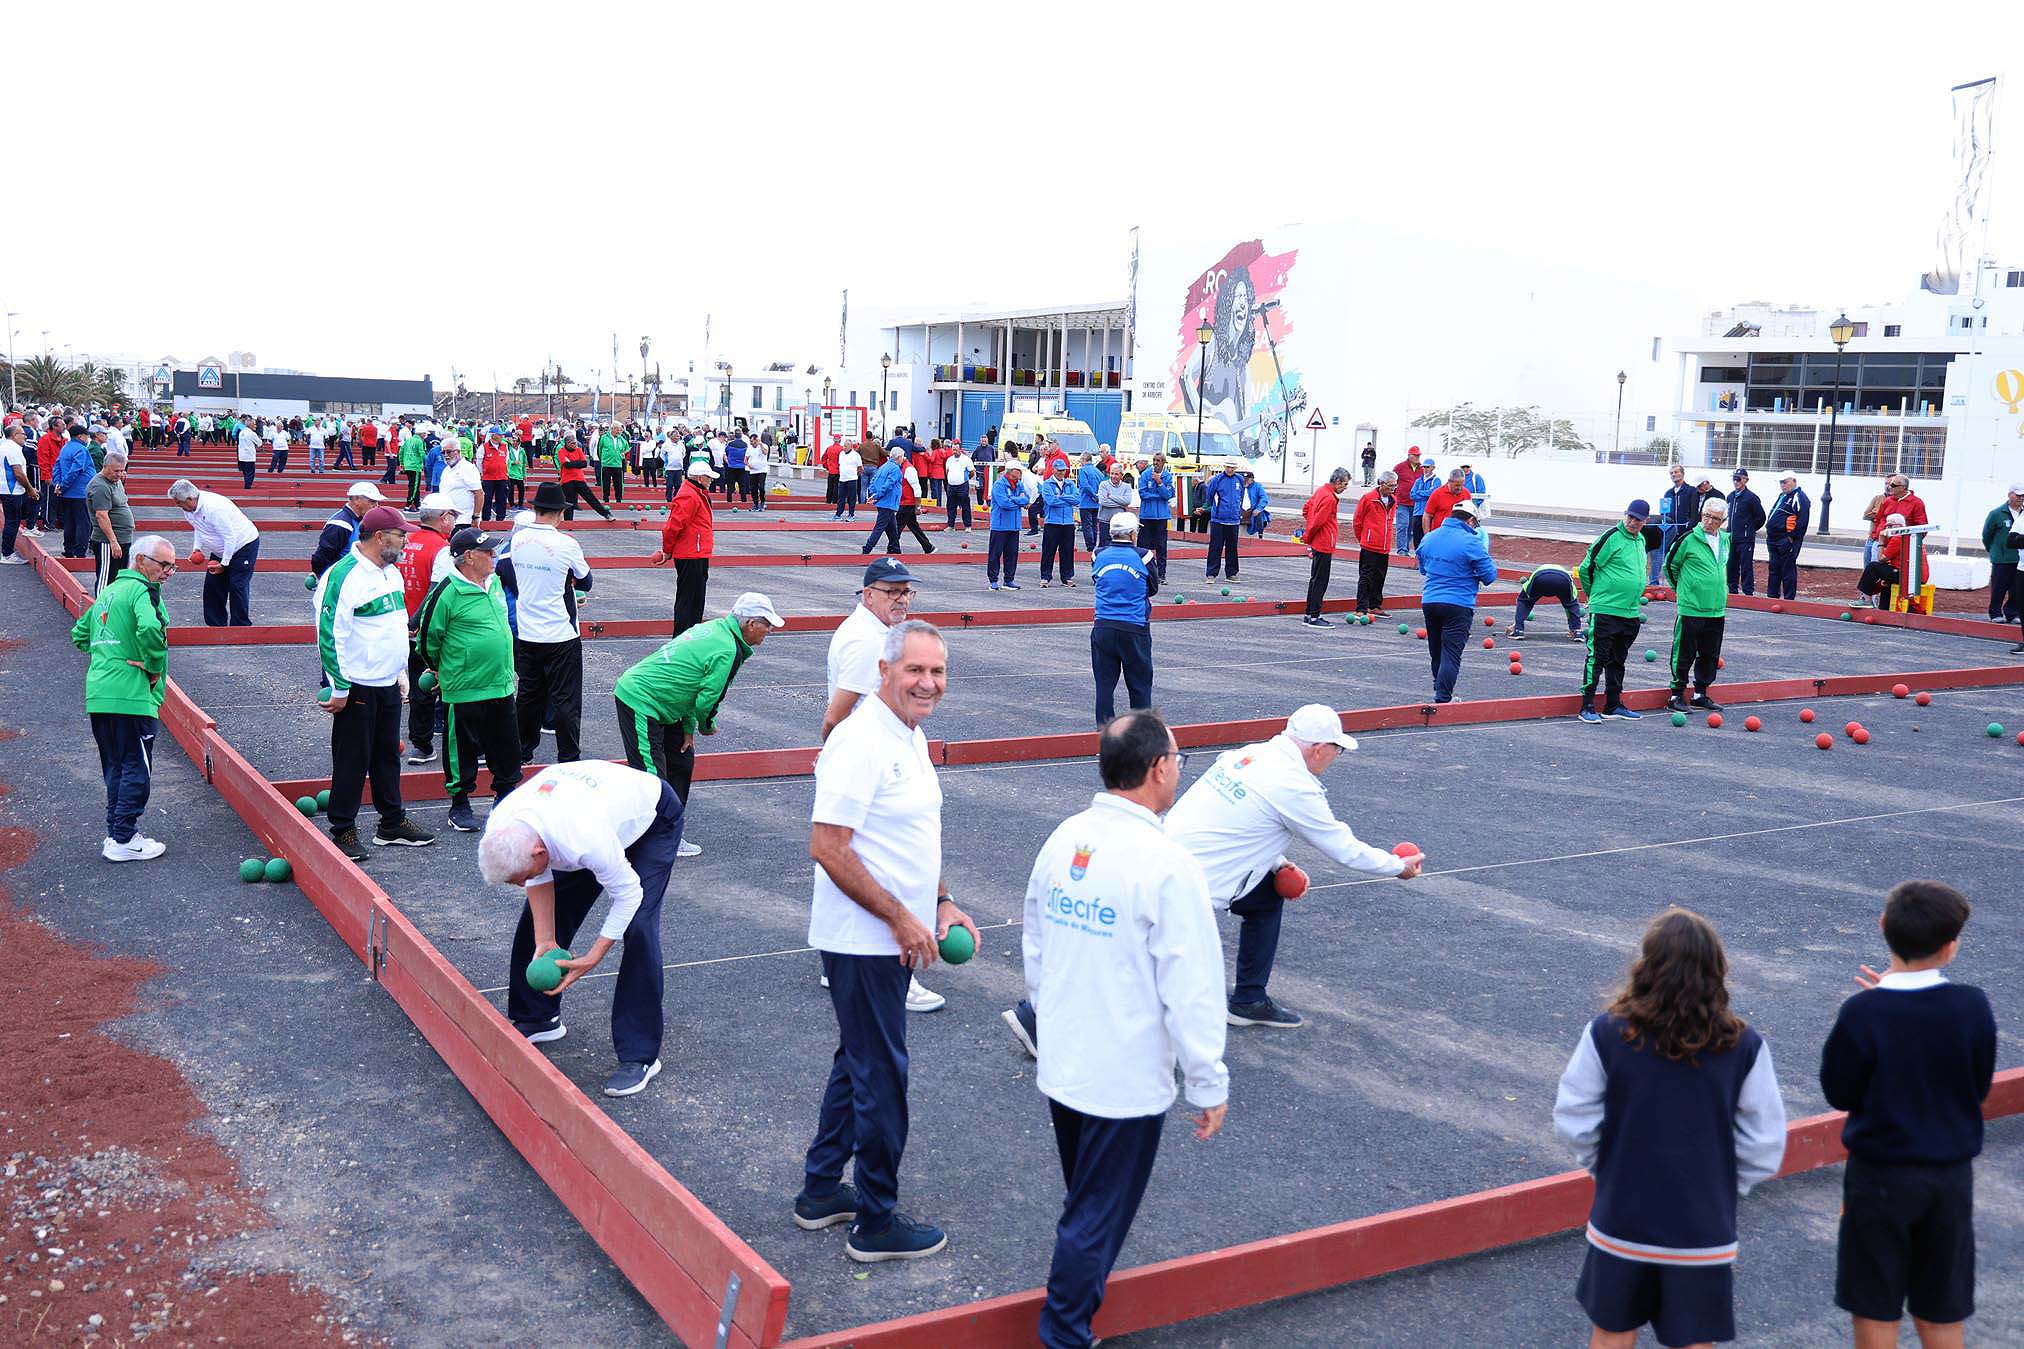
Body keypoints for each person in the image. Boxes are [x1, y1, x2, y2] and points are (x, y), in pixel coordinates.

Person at [1023, 710, 1229, 1348]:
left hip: (1065, 1061)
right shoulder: (1166, 863)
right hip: (1124, 1074)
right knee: (1094, 1214)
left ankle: (1071, 1316)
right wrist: (1208, 1080)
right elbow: (1191, 986)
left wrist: (1051, 1022)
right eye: (1179, 760)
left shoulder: (1065, 837)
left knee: (1085, 1200)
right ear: (1159, 768)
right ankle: (1064, 1333)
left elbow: (1035, 944)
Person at [793, 621, 981, 1263]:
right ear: (884, 670)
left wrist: (941, 899)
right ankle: (875, 1223)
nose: (928, 683)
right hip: (865, 941)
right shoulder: (861, 741)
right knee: (882, 1077)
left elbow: (914, 836)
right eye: (915, 671)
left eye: (937, 672)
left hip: (895, 931)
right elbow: (827, 846)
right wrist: (902, 919)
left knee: (858, 1061)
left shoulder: (908, 732)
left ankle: (820, 1192)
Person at [1553, 907, 1787, 1349]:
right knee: (1694, 1338)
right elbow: (1765, 1142)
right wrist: (1723, 1186)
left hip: (1623, 1218)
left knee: (1611, 1331)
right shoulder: (1744, 1045)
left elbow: (1574, 1118)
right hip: (1701, 1226)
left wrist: (1605, 1168)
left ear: (1647, 966)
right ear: (1716, 970)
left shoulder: (1608, 1034)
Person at [1158, 704, 1419, 1030]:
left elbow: (1236, 825)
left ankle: (1249, 1001)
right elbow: (1342, 848)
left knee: (1266, 897)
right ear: (1320, 749)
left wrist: (1276, 863)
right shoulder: (1294, 785)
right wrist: (1397, 866)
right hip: (1187, 885)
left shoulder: (1251, 754)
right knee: (1158, 998)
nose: (1337, 756)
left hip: (1165, 858)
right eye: (1337, 749)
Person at [1820, 880, 1997, 1349]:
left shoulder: (1863, 1013)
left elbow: (1839, 1091)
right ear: (1950, 945)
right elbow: (1975, 1087)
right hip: (1949, 1180)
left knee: (1875, 1304)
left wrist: (1881, 1004)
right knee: (1942, 1306)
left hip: (1879, 1179)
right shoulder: (1973, 1007)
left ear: (1883, 927)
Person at [479, 759, 687, 1097]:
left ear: (539, 850)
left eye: (524, 877)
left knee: (638, 927)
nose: (522, 884)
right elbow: (538, 875)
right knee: (537, 920)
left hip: (652, 817)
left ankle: (640, 1056)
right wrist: (545, 939)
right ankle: (538, 1017)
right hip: (593, 809)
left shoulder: (582, 839)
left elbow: (627, 894)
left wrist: (593, 956)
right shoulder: (506, 825)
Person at [820, 560, 944, 1013]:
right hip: (869, 769)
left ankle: (839, 962)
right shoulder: (864, 641)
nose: (901, 599)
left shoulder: (872, 634)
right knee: (879, 857)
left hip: (873, 761)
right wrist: (843, 767)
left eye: (906, 592)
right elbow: (835, 718)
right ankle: (894, 972)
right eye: (891, 591)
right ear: (867, 594)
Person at [615, 592, 785, 859]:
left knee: (681, 762)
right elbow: (708, 699)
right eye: (767, 625)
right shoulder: (726, 649)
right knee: (650, 777)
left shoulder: (718, 630)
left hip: (666, 704)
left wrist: (687, 728)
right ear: (751, 624)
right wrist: (706, 725)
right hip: (641, 699)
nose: (770, 630)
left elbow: (691, 682)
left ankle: (669, 831)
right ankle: (647, 841)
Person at [315, 505, 436, 861]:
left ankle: (391, 822)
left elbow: (395, 626)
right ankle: (343, 828)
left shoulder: (391, 574)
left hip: (386, 681)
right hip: (357, 684)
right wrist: (339, 688)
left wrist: (400, 672)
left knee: (386, 756)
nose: (404, 542)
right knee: (353, 759)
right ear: (381, 538)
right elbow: (329, 634)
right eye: (401, 536)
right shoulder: (342, 575)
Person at [71, 533, 174, 862]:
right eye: (164, 564)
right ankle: (124, 837)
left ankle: (116, 833)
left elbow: (80, 634)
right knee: (135, 768)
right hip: (131, 695)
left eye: (173, 566)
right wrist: (153, 666)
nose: (168, 571)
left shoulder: (108, 592)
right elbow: (150, 630)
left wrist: (107, 657)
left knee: (115, 766)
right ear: (141, 561)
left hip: (100, 694)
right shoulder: (143, 591)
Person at [413, 527, 523, 833]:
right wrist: (438, 669)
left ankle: (504, 797)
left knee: (506, 745)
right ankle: (459, 803)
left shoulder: (496, 582)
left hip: (500, 682)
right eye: (487, 552)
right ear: (469, 557)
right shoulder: (447, 591)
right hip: (463, 686)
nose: (494, 555)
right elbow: (427, 639)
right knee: (460, 749)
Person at [498, 483, 593, 764]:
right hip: (561, 633)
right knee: (566, 701)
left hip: (528, 630)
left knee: (529, 695)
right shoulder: (566, 544)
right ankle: (568, 757)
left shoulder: (518, 540)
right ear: (560, 513)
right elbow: (585, 580)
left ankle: (522, 751)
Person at [395, 495, 458, 764]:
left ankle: (421, 745)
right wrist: (417, 623)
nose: (455, 520)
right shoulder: (442, 549)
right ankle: (431, 740)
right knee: (434, 684)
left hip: (401, 624)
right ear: (443, 517)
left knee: (414, 684)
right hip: (425, 628)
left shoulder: (407, 542)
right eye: (452, 515)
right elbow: (436, 593)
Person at [1576, 501, 1652, 724]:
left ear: (1645, 521)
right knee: (1596, 657)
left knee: (1618, 660)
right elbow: (1586, 568)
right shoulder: (1611, 536)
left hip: (1629, 612)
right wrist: (1594, 597)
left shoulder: (1641, 540)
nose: (1632, 521)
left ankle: (1613, 704)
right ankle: (1587, 706)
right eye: (1630, 516)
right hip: (1605, 609)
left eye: (1638, 519)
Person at [1415, 500, 1497, 703]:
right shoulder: (1471, 542)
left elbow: (1423, 567)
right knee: (1451, 653)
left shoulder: (1430, 537)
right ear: (1470, 520)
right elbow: (1489, 576)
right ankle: (1443, 698)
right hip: (1458, 603)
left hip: (1430, 600)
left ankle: (1438, 688)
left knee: (1436, 651)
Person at [1089, 511, 1158, 724]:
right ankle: (1140, 734)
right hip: (1134, 627)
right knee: (1139, 686)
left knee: (1104, 686)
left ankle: (1105, 734)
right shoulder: (1144, 556)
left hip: (1103, 626)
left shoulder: (1098, 554)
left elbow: (1098, 580)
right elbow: (1153, 588)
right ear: (1131, 533)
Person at [1664, 498, 1730, 714]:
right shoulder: (1688, 539)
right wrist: (1683, 590)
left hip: (1716, 608)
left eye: (1715, 518)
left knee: (1710, 654)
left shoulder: (1725, 540)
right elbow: (1670, 566)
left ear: (1723, 521)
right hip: (1691, 607)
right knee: (1684, 652)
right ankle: (1676, 694)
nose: (1709, 521)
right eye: (1706, 516)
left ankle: (1700, 693)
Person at [168, 479, 260, 627]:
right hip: (221, 547)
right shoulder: (189, 509)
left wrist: (224, 564)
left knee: (237, 585)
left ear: (190, 499)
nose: (177, 505)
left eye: (178, 502)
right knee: (213, 585)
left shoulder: (214, 509)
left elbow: (230, 537)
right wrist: (196, 549)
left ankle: (241, 626)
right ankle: (215, 625)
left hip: (243, 544)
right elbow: (198, 527)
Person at [652, 459, 717, 637]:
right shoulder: (689, 495)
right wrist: (667, 550)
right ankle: (681, 638)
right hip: (690, 555)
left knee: (695, 600)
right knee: (689, 601)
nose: (711, 480)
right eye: (708, 477)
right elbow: (673, 526)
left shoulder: (696, 492)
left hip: (697, 553)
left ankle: (689, 638)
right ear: (699, 477)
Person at [1299, 468, 1350, 627]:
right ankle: (1314, 616)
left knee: (1315, 579)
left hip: (1319, 542)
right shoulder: (1329, 498)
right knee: (1320, 581)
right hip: (1324, 542)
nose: (1345, 488)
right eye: (1345, 484)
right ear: (1337, 481)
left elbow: (1306, 509)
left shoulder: (1321, 491)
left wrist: (1311, 529)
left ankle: (1309, 613)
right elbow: (1318, 522)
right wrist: (1308, 535)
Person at [1349, 470, 1398, 616]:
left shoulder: (1393, 500)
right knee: (1366, 577)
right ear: (1381, 484)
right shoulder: (1368, 498)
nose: (1392, 489)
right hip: (1369, 545)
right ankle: (1361, 608)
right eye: (1390, 486)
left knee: (1380, 576)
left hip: (1384, 546)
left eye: (1395, 486)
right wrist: (1364, 539)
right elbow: (1357, 521)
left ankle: (1375, 605)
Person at [86, 450, 134, 595]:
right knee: (106, 578)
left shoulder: (116, 481)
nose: (119, 474)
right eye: (116, 471)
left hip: (123, 538)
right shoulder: (100, 486)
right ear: (105, 466)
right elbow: (101, 516)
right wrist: (113, 541)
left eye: (122, 470)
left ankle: (114, 609)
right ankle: (99, 611)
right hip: (107, 541)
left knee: (119, 577)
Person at [1978, 484, 2023, 623]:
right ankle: (1995, 612)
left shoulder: (2023, 513)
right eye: (2018, 495)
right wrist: (1993, 551)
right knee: (1999, 586)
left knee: (2016, 588)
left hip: (2019, 558)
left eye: (2023, 496)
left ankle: (2012, 612)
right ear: (2010, 494)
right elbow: (1987, 534)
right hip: (2002, 558)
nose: (2021, 498)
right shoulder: (1997, 514)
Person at [1765, 470, 1810, 601]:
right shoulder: (1782, 496)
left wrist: (1791, 537)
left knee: (1787, 569)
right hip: (1773, 538)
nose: (1783, 485)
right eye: (1781, 482)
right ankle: (1772, 596)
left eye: (1785, 482)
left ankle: (1789, 599)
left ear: (1793, 481)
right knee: (1774, 568)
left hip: (1786, 539)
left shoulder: (1800, 497)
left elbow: (1802, 521)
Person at [52, 424, 95, 559]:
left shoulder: (65, 447)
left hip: (67, 493)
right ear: (80, 436)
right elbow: (75, 470)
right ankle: (80, 551)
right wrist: (63, 485)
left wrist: (58, 484)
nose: (88, 438)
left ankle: (69, 549)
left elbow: (57, 466)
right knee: (83, 523)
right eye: (86, 435)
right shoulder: (81, 450)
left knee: (70, 522)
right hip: (80, 491)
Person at [1511, 563, 1584, 640]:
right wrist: (1572, 627)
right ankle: (1577, 632)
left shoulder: (1534, 574)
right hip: (1563, 579)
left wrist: (1516, 624)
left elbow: (1525, 593)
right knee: (1571, 604)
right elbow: (1572, 603)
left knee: (1524, 601)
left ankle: (1518, 630)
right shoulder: (1567, 575)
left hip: (1541, 577)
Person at [988, 461, 1031, 591]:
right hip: (999, 526)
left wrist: (1014, 499)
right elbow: (1004, 503)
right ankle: (993, 580)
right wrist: (1019, 501)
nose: (1020, 473)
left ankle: (1008, 580)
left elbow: (1026, 499)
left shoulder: (1019, 484)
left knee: (1012, 554)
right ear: (1011, 471)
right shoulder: (999, 485)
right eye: (1018, 471)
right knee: (995, 554)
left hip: (1014, 525)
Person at [860, 447, 910, 555]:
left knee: (892, 528)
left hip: (884, 502)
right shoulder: (896, 469)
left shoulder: (883, 466)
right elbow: (889, 485)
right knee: (880, 527)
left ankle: (896, 550)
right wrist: (877, 496)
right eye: (903, 456)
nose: (904, 459)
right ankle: (867, 549)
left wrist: (873, 494)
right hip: (888, 502)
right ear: (899, 457)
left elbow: (873, 480)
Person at [1725, 469, 1766, 596]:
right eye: (1734, 479)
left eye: (1739, 479)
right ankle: (1732, 589)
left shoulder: (1751, 498)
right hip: (1731, 537)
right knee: (1731, 565)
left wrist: (1750, 529)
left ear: (1745, 480)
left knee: (1746, 566)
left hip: (1745, 538)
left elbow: (1761, 517)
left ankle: (1748, 591)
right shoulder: (1731, 496)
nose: (1736, 482)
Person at [1039, 460, 1079, 587]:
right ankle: (1045, 577)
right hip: (1052, 522)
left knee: (1067, 551)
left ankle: (1067, 577)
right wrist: (1068, 499)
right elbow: (1051, 501)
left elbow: (1077, 499)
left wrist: (1061, 497)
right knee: (1048, 550)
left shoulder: (1070, 483)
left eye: (1064, 470)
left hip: (1068, 522)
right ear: (1053, 470)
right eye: (1059, 470)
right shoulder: (1047, 484)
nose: (1062, 472)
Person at [554, 431, 611, 521]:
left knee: (591, 498)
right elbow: (566, 465)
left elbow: (584, 463)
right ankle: (569, 522)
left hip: (579, 478)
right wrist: (577, 463)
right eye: (572, 443)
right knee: (569, 502)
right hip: (567, 480)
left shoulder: (578, 450)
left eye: (575, 443)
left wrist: (572, 463)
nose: (575, 445)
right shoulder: (561, 451)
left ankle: (606, 514)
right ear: (567, 443)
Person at [1203, 459, 1245, 581]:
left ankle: (1231, 573)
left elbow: (1241, 496)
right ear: (1224, 467)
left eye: (1233, 467)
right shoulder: (1217, 479)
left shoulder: (1240, 479)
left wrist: (1237, 510)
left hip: (1234, 520)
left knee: (1232, 548)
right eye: (1228, 467)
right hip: (1218, 519)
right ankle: (1211, 574)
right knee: (1215, 547)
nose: (1230, 470)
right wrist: (1214, 509)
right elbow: (1209, 496)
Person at [0, 423, 36, 563]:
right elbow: (18, 473)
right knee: (12, 521)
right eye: (23, 434)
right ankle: (7, 554)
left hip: (6, 488)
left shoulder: (4, 446)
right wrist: (30, 489)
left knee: (13, 519)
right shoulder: (13, 449)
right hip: (12, 490)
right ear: (14, 435)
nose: (25, 437)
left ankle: (30, 526)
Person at [1135, 452, 1174, 581]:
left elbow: (1168, 495)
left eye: (1158, 460)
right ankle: (1142, 573)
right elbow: (1143, 494)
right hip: (1147, 516)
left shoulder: (1167, 477)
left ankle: (1161, 575)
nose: (1156, 462)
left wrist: (1159, 483)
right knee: (1143, 545)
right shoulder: (1145, 475)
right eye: (1154, 460)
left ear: (1163, 463)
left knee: (1161, 546)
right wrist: (1158, 496)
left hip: (1161, 517)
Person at [1654, 463, 1693, 584]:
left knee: (1683, 558)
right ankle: (1661, 582)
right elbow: (1663, 513)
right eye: (1671, 473)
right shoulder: (1668, 493)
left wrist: (1689, 524)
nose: (1674, 475)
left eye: (1676, 472)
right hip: (1670, 531)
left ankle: (1683, 582)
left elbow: (1694, 511)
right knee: (1665, 555)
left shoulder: (1691, 491)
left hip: (1684, 531)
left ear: (1682, 473)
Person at [436, 437, 481, 525]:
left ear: (458, 452)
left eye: (449, 452)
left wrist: (475, 517)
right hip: (449, 521)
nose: (445, 455)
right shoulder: (446, 469)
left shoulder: (467, 468)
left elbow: (479, 493)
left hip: (464, 520)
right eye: (443, 452)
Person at [1094, 459, 1137, 549]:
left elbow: (1127, 501)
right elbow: (1103, 501)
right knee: (1104, 547)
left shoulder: (1126, 486)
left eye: (1116, 474)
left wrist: (1111, 496)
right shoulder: (1103, 485)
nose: (1113, 476)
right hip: (1105, 521)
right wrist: (1121, 504)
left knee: (1119, 547)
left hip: (1120, 523)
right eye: (1112, 473)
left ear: (1122, 475)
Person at [1391, 446, 1425, 552]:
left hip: (1416, 504)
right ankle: (1401, 549)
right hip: (1402, 502)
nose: (1417, 457)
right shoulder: (1399, 467)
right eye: (1415, 455)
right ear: (1409, 455)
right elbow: (1392, 483)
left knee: (1411, 528)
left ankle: (1405, 548)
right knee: (1402, 525)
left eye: (1418, 455)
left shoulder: (1422, 468)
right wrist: (1393, 498)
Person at [1420, 466, 1470, 535]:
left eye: (1462, 485)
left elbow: (1469, 517)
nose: (1460, 488)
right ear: (1449, 481)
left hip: (1459, 536)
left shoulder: (1466, 494)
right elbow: (1427, 516)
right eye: (1457, 485)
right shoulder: (1437, 494)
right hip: (1439, 535)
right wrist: (1427, 536)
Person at [1074, 452, 1105, 552]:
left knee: (1087, 525)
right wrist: (1097, 496)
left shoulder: (1083, 470)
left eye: (1080, 460)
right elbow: (1102, 486)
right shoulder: (1099, 472)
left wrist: (1093, 496)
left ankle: (1090, 546)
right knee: (1094, 525)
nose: (1080, 462)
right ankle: (1095, 543)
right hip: (1096, 503)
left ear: (1084, 460)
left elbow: (1085, 485)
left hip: (1086, 502)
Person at [1407, 455, 1439, 550]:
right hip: (1417, 513)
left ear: (1433, 467)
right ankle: (1418, 558)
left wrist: (1420, 492)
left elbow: (1433, 493)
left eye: (1427, 467)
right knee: (1417, 538)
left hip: (1429, 514)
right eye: (1424, 467)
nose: (1425, 469)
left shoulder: (1436, 480)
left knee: (1428, 537)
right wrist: (1426, 494)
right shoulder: (1418, 480)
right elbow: (1412, 495)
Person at [942, 441, 974, 530]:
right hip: (951, 486)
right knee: (950, 506)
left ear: (960, 449)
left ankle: (968, 526)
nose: (954, 451)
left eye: (956, 449)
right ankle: (950, 525)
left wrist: (965, 479)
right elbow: (947, 471)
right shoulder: (949, 460)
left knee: (965, 506)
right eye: (953, 450)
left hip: (962, 486)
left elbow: (972, 472)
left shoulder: (966, 459)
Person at [833, 442, 863, 521]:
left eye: (846, 446)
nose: (844, 447)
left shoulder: (856, 455)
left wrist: (855, 475)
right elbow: (840, 464)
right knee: (841, 498)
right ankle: (838, 514)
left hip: (852, 479)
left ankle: (851, 514)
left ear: (850, 447)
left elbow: (860, 467)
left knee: (851, 498)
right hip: (842, 479)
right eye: (844, 446)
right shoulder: (841, 454)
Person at [1240, 471, 1271, 539]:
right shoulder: (1239, 486)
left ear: (1251, 479)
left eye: (1247, 479)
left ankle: (1260, 534)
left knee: (1259, 514)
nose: (1245, 481)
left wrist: (1259, 508)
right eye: (1244, 479)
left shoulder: (1257, 486)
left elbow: (1264, 498)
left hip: (1253, 510)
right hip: (1240, 510)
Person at [235, 418, 262, 491]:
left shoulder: (241, 432)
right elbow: (259, 443)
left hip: (242, 455)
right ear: (250, 425)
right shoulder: (252, 433)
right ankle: (248, 486)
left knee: (245, 472)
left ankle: (247, 484)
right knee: (250, 472)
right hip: (249, 455)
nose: (255, 426)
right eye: (254, 424)